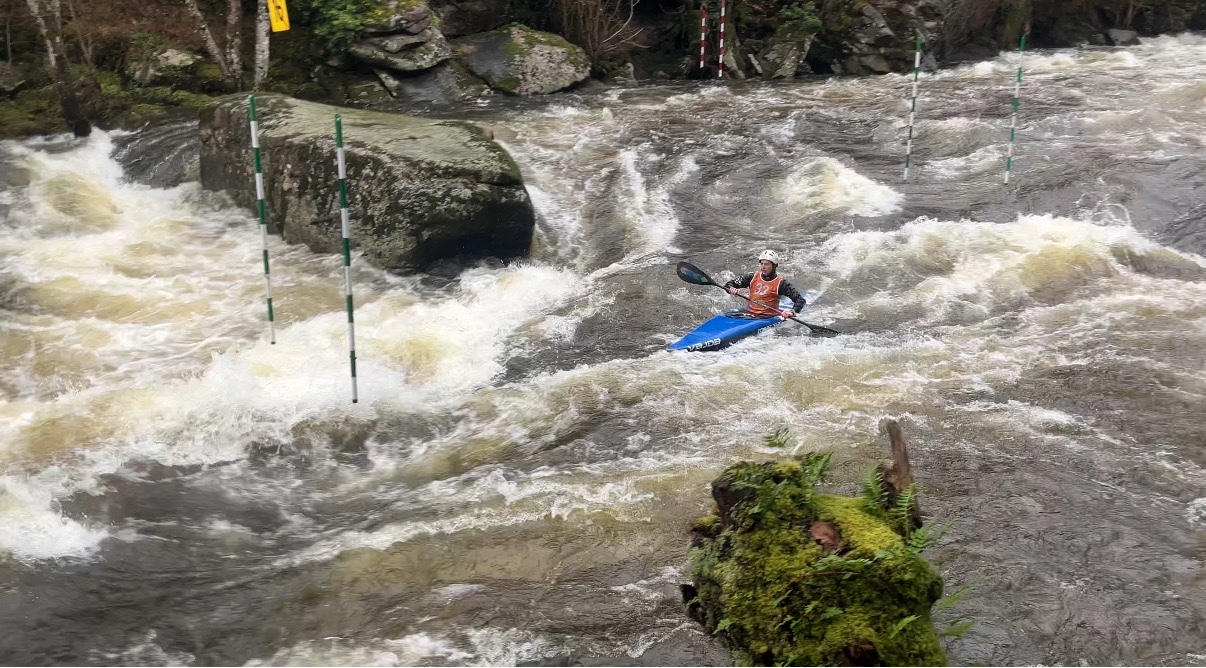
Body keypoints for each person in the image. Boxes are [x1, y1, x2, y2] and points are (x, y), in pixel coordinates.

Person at [723, 250, 807, 320]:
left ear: (774, 266)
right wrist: (731, 288)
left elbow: (800, 300)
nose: (763, 267)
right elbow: (728, 284)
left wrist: (791, 312)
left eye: (766, 264)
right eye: (761, 263)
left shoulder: (781, 284)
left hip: (767, 317)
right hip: (749, 313)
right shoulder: (752, 277)